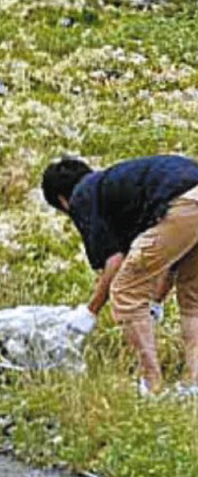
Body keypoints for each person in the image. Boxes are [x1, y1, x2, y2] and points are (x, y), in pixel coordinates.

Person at [42, 154, 198, 397]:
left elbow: (115, 262)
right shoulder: (118, 187)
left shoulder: (83, 196)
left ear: (63, 201)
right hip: (189, 195)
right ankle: (193, 385)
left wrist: (90, 312)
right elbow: (170, 256)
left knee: (125, 292)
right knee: (192, 303)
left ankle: (151, 386)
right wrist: (155, 300)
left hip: (182, 203)